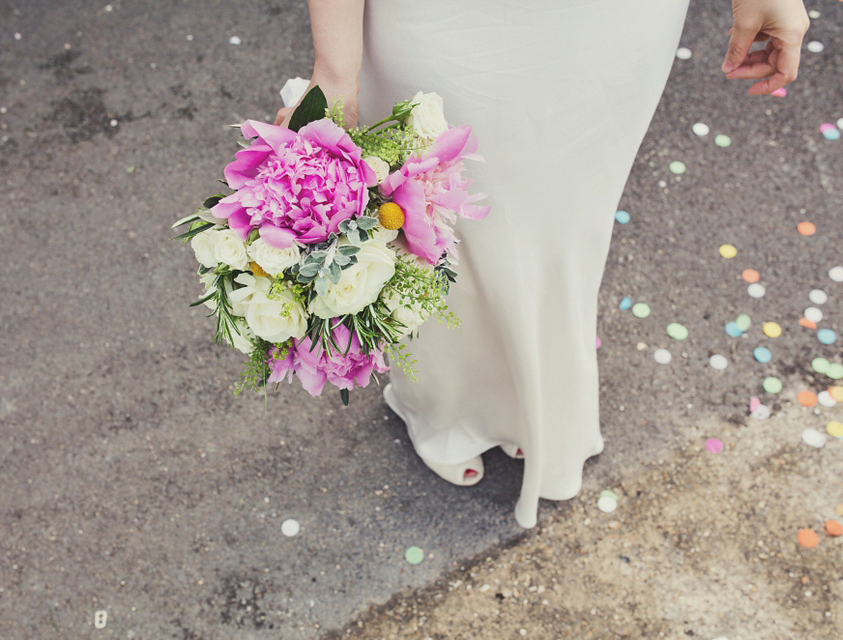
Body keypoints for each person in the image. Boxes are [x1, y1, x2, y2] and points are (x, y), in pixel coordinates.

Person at [275, 0, 809, 529]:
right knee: (433, 216)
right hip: (441, 20)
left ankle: (537, 401)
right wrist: (335, 71)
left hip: (608, 26)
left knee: (563, 220)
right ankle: (448, 401)